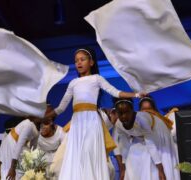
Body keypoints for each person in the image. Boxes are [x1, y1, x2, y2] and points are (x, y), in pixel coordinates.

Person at [43, 47, 145, 180]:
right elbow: (61, 108)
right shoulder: (73, 83)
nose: (78, 63)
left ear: (91, 62)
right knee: (77, 155)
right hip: (77, 123)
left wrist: (136, 94)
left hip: (91, 121)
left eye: (82, 59)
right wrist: (44, 116)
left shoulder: (97, 79)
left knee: (89, 152)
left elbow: (116, 92)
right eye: (76, 61)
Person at [113, 97, 180, 180]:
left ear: (132, 111)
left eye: (127, 112)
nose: (123, 116)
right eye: (120, 113)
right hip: (145, 136)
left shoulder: (142, 120)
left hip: (158, 131)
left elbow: (150, 144)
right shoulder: (119, 124)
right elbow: (125, 145)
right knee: (134, 155)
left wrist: (160, 170)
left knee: (156, 156)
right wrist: (123, 168)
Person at [0, 116, 41, 180]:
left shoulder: (37, 130)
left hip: (21, 148)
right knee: (10, 170)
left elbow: (33, 149)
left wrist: (35, 165)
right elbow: (19, 144)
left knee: (21, 172)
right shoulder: (28, 124)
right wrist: (12, 168)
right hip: (12, 145)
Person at [37, 105, 65, 178]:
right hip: (40, 159)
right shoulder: (35, 130)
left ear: (51, 122)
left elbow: (64, 151)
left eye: (46, 123)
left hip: (57, 160)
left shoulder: (60, 132)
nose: (42, 127)